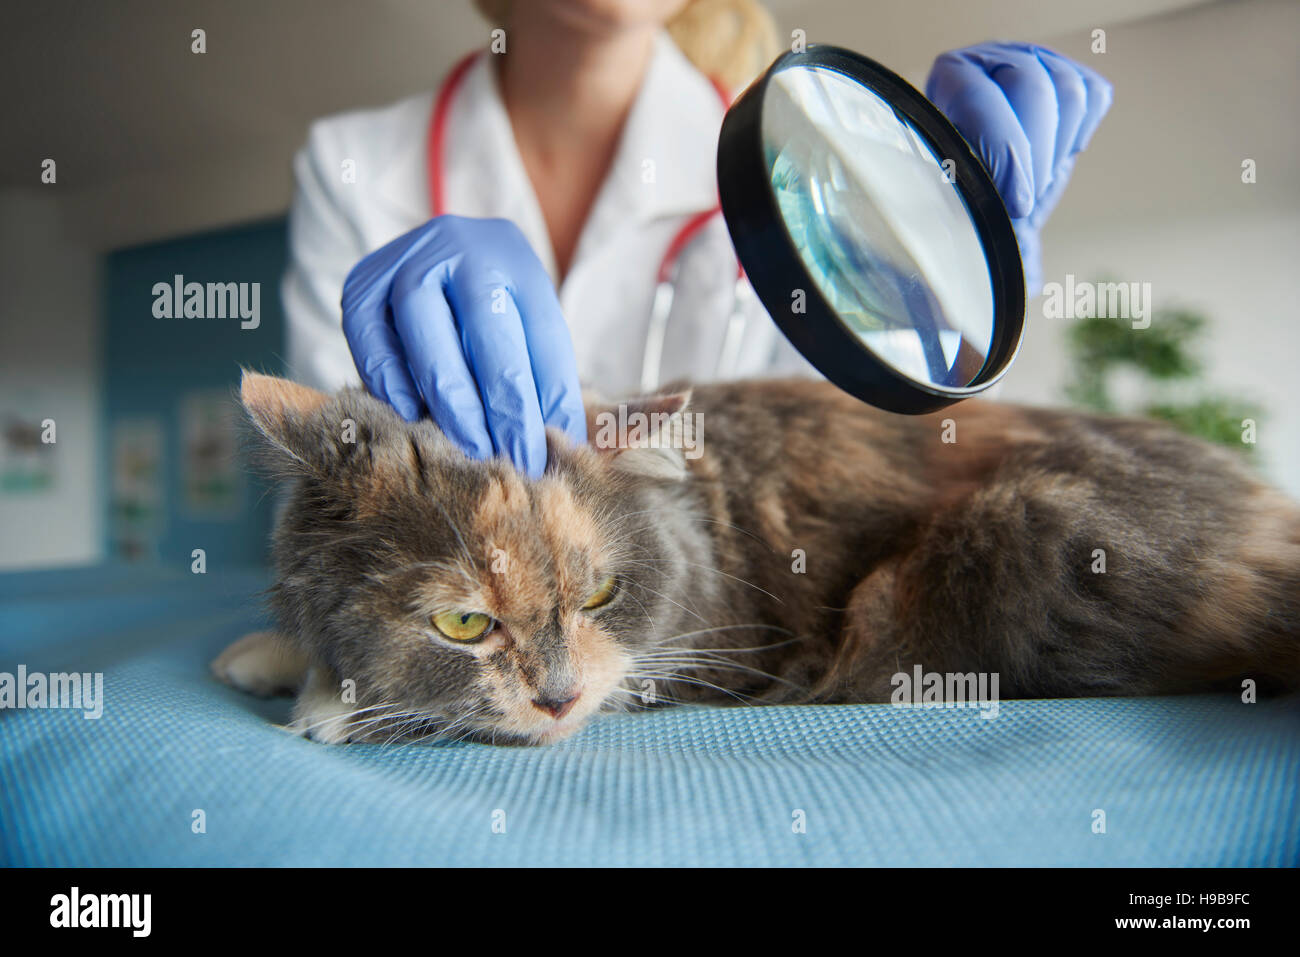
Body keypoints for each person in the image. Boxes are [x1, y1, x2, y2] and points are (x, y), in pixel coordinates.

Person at [283, 0, 1111, 478]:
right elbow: (319, 499)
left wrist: (956, 310)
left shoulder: (809, 176)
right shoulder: (353, 164)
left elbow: (862, 480)